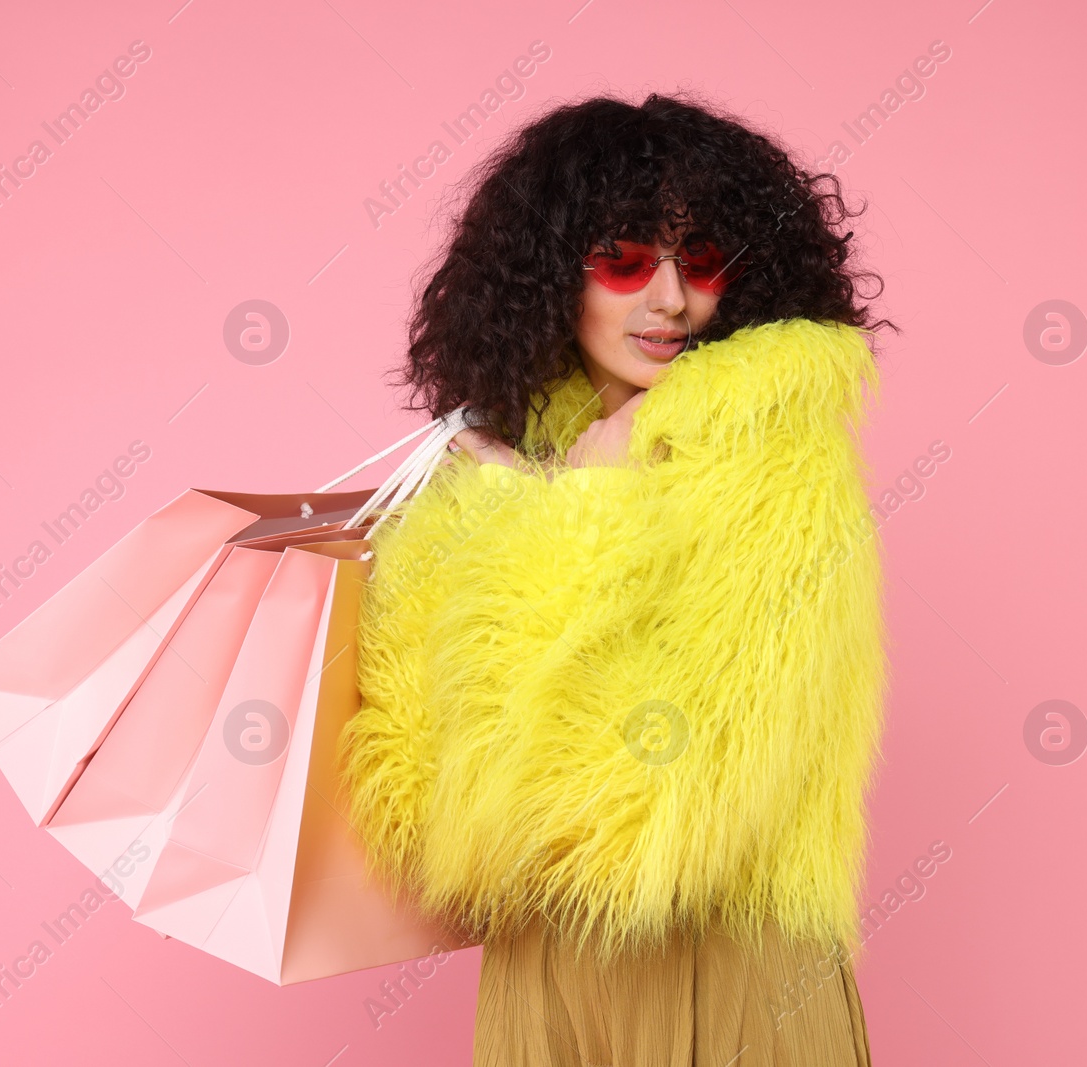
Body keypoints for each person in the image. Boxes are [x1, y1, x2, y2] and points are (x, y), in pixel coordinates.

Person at [339, 92, 897, 1066]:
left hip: (719, 964)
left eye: (704, 259)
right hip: (543, 969)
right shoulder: (505, 468)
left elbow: (662, 806)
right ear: (555, 272)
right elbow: (429, 797)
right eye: (627, 259)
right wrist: (498, 513)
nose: (671, 299)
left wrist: (578, 513)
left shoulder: (772, 451)